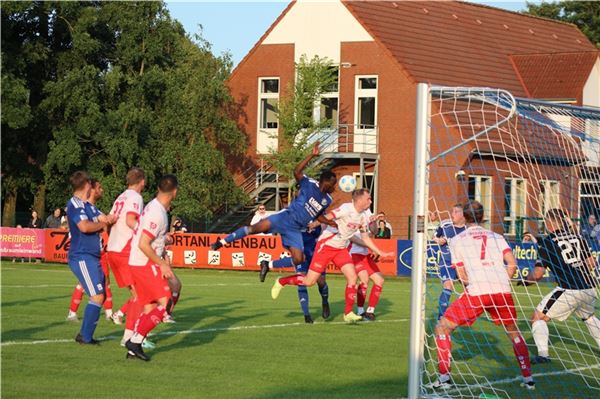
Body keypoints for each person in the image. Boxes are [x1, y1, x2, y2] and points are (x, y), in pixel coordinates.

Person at [431, 200, 534, 390]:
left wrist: (474, 283)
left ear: (465, 216)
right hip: (502, 290)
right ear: (483, 217)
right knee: (513, 332)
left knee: (442, 327)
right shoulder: (497, 236)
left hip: (478, 291)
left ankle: (444, 379)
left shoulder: (457, 240)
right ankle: (528, 379)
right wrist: (502, 280)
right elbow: (512, 264)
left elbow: (461, 275)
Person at [210, 142, 337, 282]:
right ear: (325, 182)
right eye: (333, 185)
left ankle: (267, 264)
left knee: (299, 259)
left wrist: (329, 221)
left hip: (295, 229)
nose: (334, 188)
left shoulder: (327, 200)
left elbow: (318, 214)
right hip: (284, 218)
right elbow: (296, 172)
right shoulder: (309, 183)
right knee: (253, 229)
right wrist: (311, 155)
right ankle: (221, 243)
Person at [271, 188, 394, 323]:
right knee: (309, 281)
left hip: (341, 249)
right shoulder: (346, 209)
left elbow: (365, 238)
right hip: (326, 247)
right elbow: (328, 217)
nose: (370, 201)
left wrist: (380, 251)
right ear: (359, 200)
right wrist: (315, 223)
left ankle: (348, 313)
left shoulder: (363, 216)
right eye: (368, 199)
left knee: (352, 277)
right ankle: (282, 281)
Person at [519, 208, 600, 364]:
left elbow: (537, 274)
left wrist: (524, 281)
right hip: (589, 287)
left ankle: (543, 354)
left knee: (538, 317)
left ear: (549, 223)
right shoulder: (578, 237)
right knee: (589, 318)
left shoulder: (548, 243)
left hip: (569, 289)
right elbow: (591, 262)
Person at [125, 175, 178, 361]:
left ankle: (133, 345)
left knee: (151, 306)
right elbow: (144, 243)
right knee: (166, 302)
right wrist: (162, 263)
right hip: (143, 262)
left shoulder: (154, 206)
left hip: (139, 262)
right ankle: (134, 341)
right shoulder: (157, 212)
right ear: (175, 192)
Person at [65, 171, 116, 344]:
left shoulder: (88, 206)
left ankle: (85, 335)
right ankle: (85, 337)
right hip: (82, 256)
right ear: (86, 185)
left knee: (99, 295)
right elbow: (85, 227)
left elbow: (106, 219)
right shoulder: (75, 204)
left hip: (92, 257)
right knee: (97, 296)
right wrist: (103, 224)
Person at [106, 167, 146, 346]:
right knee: (140, 295)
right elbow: (131, 221)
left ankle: (130, 330)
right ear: (142, 181)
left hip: (113, 248)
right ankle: (129, 338)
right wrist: (148, 232)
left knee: (138, 294)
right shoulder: (136, 197)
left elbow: (109, 219)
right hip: (125, 250)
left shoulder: (120, 196)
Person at [433, 204, 467, 320]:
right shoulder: (445, 224)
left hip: (462, 263)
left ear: (463, 215)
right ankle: (441, 316)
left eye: (456, 212)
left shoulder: (468, 229)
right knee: (448, 286)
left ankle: (470, 310)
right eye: (452, 212)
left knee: (471, 288)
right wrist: (439, 240)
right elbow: (435, 236)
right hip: (446, 261)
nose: (452, 214)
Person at [295, 225, 330, 324]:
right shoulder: (293, 216)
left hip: (315, 252)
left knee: (321, 281)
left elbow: (324, 228)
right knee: (301, 280)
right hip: (300, 252)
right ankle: (306, 314)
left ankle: (325, 302)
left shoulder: (316, 214)